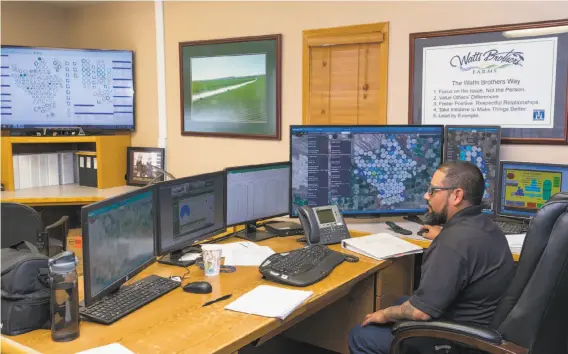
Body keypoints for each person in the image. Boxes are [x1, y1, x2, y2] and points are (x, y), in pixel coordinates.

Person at [348, 161, 515, 354]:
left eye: (433, 190)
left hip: (461, 342)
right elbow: (465, 249)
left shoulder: (452, 244)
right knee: (401, 301)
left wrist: (384, 315)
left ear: (457, 195)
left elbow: (420, 312)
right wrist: (443, 235)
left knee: (361, 335)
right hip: (485, 324)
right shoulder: (485, 225)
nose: (426, 196)